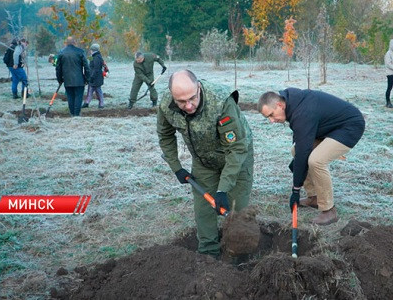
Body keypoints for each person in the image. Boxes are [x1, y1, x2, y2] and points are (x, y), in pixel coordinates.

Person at [157, 70, 254, 257]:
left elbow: (236, 148)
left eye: (192, 98)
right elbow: (165, 135)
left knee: (237, 208)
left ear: (199, 87)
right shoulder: (166, 105)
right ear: (173, 96)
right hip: (203, 159)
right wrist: (176, 167)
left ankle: (239, 256)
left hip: (236, 155)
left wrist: (222, 189)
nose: (189, 105)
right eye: (181, 102)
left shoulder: (221, 102)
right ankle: (208, 254)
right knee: (203, 208)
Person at [257, 88, 365, 226]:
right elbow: (300, 149)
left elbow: (304, 151)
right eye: (268, 118)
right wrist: (297, 166)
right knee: (296, 152)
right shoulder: (292, 103)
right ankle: (314, 197)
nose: (272, 121)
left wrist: (295, 189)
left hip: (349, 126)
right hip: (328, 127)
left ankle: (329, 210)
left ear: (280, 105)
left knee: (316, 161)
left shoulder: (302, 112)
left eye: (271, 115)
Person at [56, 37, 90, 116]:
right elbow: (86, 66)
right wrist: (87, 78)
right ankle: (76, 114)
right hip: (79, 79)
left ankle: (72, 113)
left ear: (66, 43)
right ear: (74, 42)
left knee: (70, 97)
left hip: (67, 80)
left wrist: (59, 79)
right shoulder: (80, 52)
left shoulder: (61, 53)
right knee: (78, 96)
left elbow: (58, 68)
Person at [82, 43, 109, 109]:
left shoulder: (97, 57)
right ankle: (87, 103)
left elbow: (96, 69)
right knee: (91, 90)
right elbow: (89, 65)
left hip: (96, 77)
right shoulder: (93, 56)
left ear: (93, 50)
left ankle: (101, 104)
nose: (90, 50)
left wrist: (91, 77)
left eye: (91, 49)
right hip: (94, 77)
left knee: (98, 90)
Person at [384, 39, 393, 108]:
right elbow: (388, 64)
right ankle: (388, 102)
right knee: (389, 88)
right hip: (390, 74)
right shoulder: (388, 53)